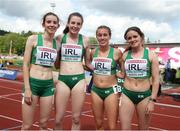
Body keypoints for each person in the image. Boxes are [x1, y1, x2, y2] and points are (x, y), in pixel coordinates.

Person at [21, 12, 60, 130]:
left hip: (48, 86)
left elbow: (58, 65)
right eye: (49, 22)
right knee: (27, 125)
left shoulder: (57, 44)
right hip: (32, 85)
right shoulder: (33, 39)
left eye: (55, 22)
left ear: (58, 25)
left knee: (43, 124)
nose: (52, 24)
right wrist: (27, 89)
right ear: (43, 24)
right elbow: (25, 64)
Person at [55, 12, 91, 130]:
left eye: (78, 24)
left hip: (79, 80)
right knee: (58, 119)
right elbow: (56, 64)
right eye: (73, 23)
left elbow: (88, 63)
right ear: (68, 23)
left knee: (76, 118)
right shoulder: (60, 38)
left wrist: (107, 70)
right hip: (63, 79)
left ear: (81, 25)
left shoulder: (85, 40)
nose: (75, 26)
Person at [119, 26, 159, 130]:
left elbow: (156, 80)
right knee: (124, 128)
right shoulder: (125, 56)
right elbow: (122, 75)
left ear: (141, 37)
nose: (132, 39)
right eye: (129, 38)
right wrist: (109, 72)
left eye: (135, 36)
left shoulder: (151, 55)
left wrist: (152, 100)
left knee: (143, 128)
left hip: (144, 96)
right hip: (127, 94)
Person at [89, 25, 122, 130]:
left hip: (111, 90)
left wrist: (119, 90)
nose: (102, 37)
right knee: (98, 124)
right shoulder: (93, 52)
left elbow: (123, 72)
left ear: (109, 36)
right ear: (97, 37)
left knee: (112, 127)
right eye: (99, 35)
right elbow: (90, 66)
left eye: (105, 35)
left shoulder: (117, 52)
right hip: (95, 90)